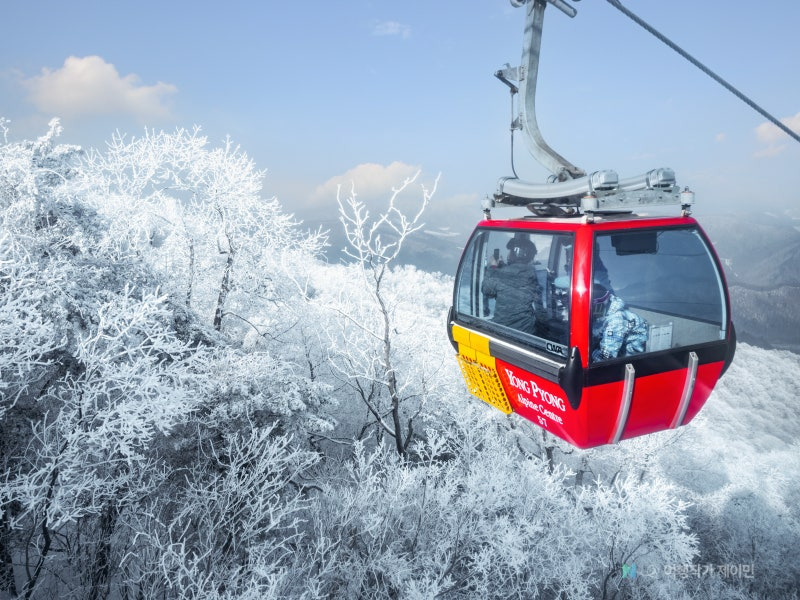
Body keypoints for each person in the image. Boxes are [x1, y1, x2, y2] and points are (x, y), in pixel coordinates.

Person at [481, 234, 545, 335]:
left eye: (510, 251)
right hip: (527, 333)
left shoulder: (501, 274)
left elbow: (486, 290)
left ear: (514, 254)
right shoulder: (533, 276)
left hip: (503, 332)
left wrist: (493, 267)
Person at [591, 282, 648, 362]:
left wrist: (589, 354)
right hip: (618, 345)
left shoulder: (616, 320)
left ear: (602, 304)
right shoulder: (604, 313)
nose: (590, 312)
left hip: (630, 356)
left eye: (593, 308)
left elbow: (607, 357)